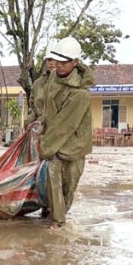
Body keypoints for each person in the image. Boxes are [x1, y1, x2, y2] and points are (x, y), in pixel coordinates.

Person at [38, 36, 94, 230]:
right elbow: (47, 109)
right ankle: (57, 221)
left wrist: (44, 147)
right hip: (54, 139)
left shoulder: (80, 94)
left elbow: (64, 125)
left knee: (68, 186)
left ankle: (60, 214)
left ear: (75, 63)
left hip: (74, 145)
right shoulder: (53, 78)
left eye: (64, 62)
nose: (58, 65)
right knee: (53, 177)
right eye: (57, 61)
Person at [24, 51, 57, 128]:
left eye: (54, 60)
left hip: (58, 127)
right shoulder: (37, 83)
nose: (51, 63)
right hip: (40, 126)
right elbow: (33, 108)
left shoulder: (64, 82)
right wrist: (28, 122)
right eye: (49, 60)